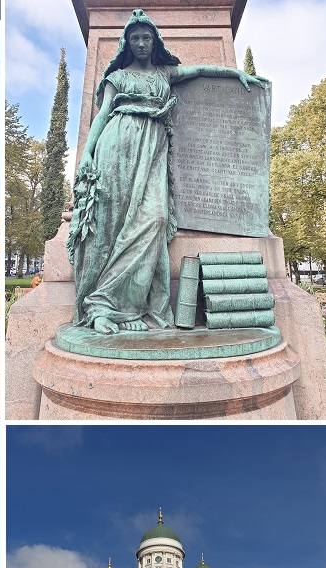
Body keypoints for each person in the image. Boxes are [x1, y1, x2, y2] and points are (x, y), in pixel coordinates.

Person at [67, 8, 265, 335]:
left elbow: (200, 70)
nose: (142, 43)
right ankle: (104, 308)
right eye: (135, 39)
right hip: (118, 146)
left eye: (146, 38)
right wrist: (86, 154)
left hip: (153, 148)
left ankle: (122, 302)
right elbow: (101, 117)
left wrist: (235, 75)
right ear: (127, 43)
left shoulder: (164, 74)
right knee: (113, 224)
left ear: (154, 41)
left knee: (155, 218)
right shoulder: (117, 77)